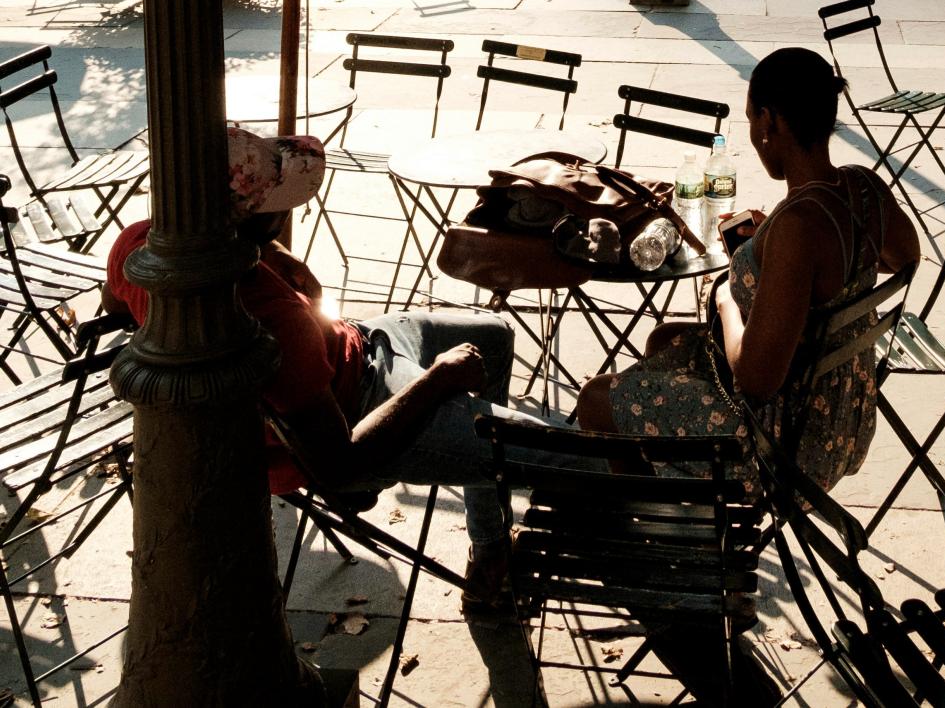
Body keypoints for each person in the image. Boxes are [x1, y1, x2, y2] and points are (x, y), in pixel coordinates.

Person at [102, 128, 600, 612]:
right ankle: (635, 558)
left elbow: (119, 308)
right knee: (571, 458)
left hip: (360, 343)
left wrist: (273, 256)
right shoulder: (274, 323)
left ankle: (490, 550)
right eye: (280, 209)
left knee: (493, 334)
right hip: (367, 404)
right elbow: (341, 467)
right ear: (252, 221)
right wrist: (438, 380)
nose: (290, 213)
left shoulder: (140, 246)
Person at [577, 48, 921, 498]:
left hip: (782, 445)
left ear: (769, 121)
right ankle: (679, 507)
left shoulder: (798, 224)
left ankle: (653, 525)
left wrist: (724, 300)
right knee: (665, 340)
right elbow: (904, 258)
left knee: (595, 399)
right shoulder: (863, 187)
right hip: (843, 412)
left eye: (751, 119)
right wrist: (787, 260)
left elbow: (756, 381)